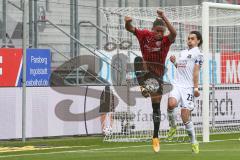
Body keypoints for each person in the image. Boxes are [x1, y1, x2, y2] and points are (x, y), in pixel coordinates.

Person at [125, 10, 176, 153]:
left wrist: (164, 17)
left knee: (156, 107)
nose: (160, 33)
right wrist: (127, 22)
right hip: (146, 72)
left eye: (162, 31)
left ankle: (155, 137)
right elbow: (130, 28)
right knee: (137, 60)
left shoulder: (166, 41)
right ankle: (143, 85)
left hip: (158, 76)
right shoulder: (145, 35)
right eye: (157, 30)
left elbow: (174, 34)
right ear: (152, 29)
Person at [166, 31, 203, 154]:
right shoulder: (183, 52)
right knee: (171, 104)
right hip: (177, 84)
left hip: (188, 87)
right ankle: (172, 126)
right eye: (188, 38)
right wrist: (175, 62)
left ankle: (194, 142)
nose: (189, 40)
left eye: (192, 38)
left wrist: (196, 88)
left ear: (198, 41)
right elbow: (182, 69)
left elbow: (196, 72)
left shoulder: (198, 54)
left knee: (185, 116)